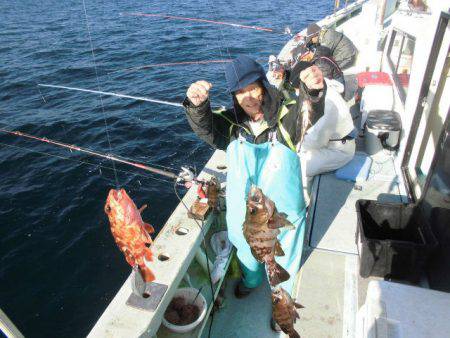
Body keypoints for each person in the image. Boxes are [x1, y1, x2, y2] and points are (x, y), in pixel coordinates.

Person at [184, 55, 325, 331]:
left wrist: (313, 90)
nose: (246, 97)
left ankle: (282, 305)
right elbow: (208, 130)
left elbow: (309, 110)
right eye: (238, 92)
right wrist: (197, 106)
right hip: (244, 217)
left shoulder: (287, 115)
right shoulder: (231, 123)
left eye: (251, 87)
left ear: (262, 83)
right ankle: (251, 281)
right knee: (248, 257)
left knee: (284, 264)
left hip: (283, 217)